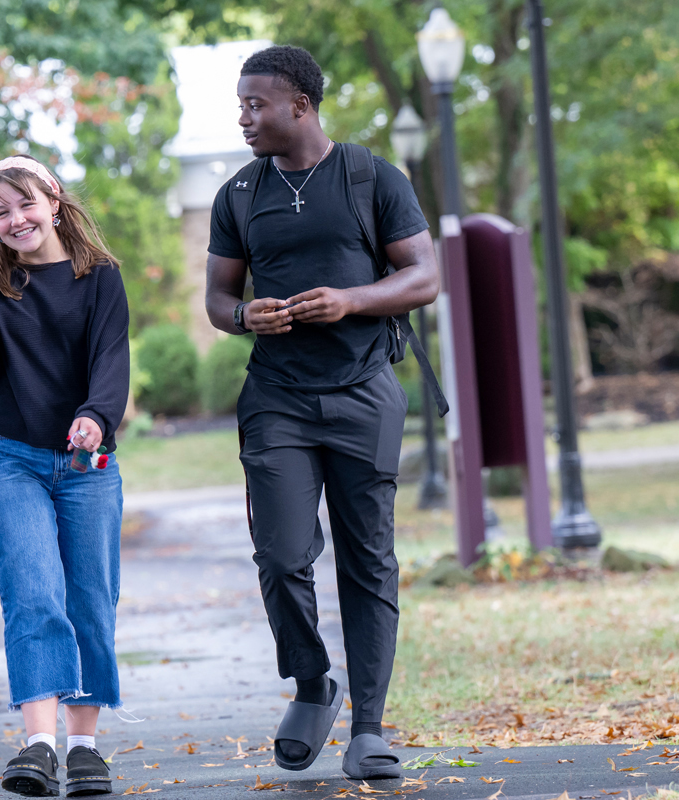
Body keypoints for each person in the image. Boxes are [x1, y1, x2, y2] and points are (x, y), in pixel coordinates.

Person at [203, 46, 440, 780]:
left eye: (255, 104)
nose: (244, 117)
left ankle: (368, 727)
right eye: (240, 105)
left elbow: (424, 276)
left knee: (368, 560)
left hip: (364, 392)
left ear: (300, 105)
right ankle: (313, 684)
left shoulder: (372, 177)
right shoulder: (239, 195)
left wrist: (351, 300)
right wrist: (246, 315)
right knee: (280, 555)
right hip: (276, 397)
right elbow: (216, 301)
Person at [0, 156, 130, 798]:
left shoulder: (100, 278)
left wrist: (95, 417)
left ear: (53, 199)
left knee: (90, 597)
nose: (15, 219)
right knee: (33, 591)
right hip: (13, 456)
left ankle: (84, 748)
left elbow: (110, 358)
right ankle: (39, 743)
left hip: (87, 462)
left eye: (24, 204)